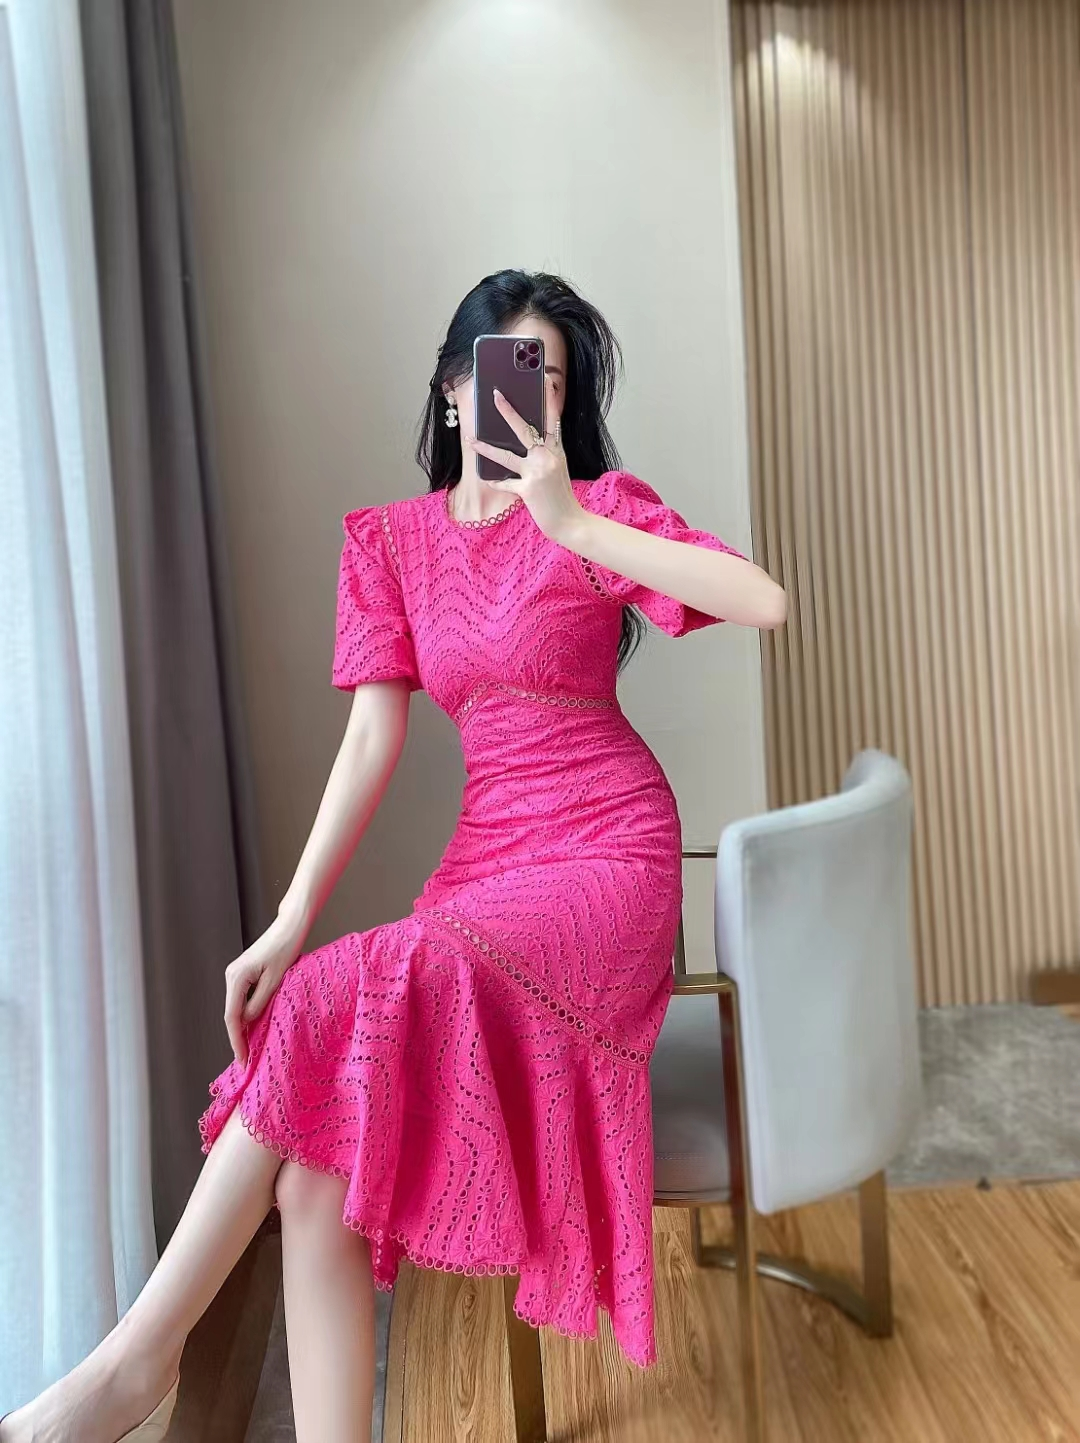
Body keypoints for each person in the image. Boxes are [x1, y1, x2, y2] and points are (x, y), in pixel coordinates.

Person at [0, 269, 786, 1443]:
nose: (530, 399)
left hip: (605, 858)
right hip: (486, 866)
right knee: (316, 1168)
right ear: (454, 389)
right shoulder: (390, 544)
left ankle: (132, 1363)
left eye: (551, 380)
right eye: (509, 371)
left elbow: (764, 601)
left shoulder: (599, 507)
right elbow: (371, 740)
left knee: (341, 997)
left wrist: (573, 525)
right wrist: (287, 919)